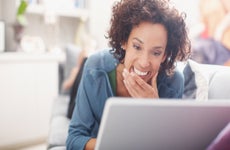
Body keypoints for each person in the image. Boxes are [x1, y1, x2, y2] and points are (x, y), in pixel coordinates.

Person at [66, 0, 191, 149]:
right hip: (93, 71)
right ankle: (74, 74)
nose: (144, 62)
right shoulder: (96, 68)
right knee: (84, 67)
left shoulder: (174, 81)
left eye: (156, 52)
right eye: (137, 47)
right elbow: (74, 140)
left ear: (165, 55)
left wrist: (155, 109)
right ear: (124, 41)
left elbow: (171, 145)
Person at [191, 0, 230, 66]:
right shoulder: (203, 2)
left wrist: (220, 29)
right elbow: (203, 23)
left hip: (226, 43)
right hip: (214, 45)